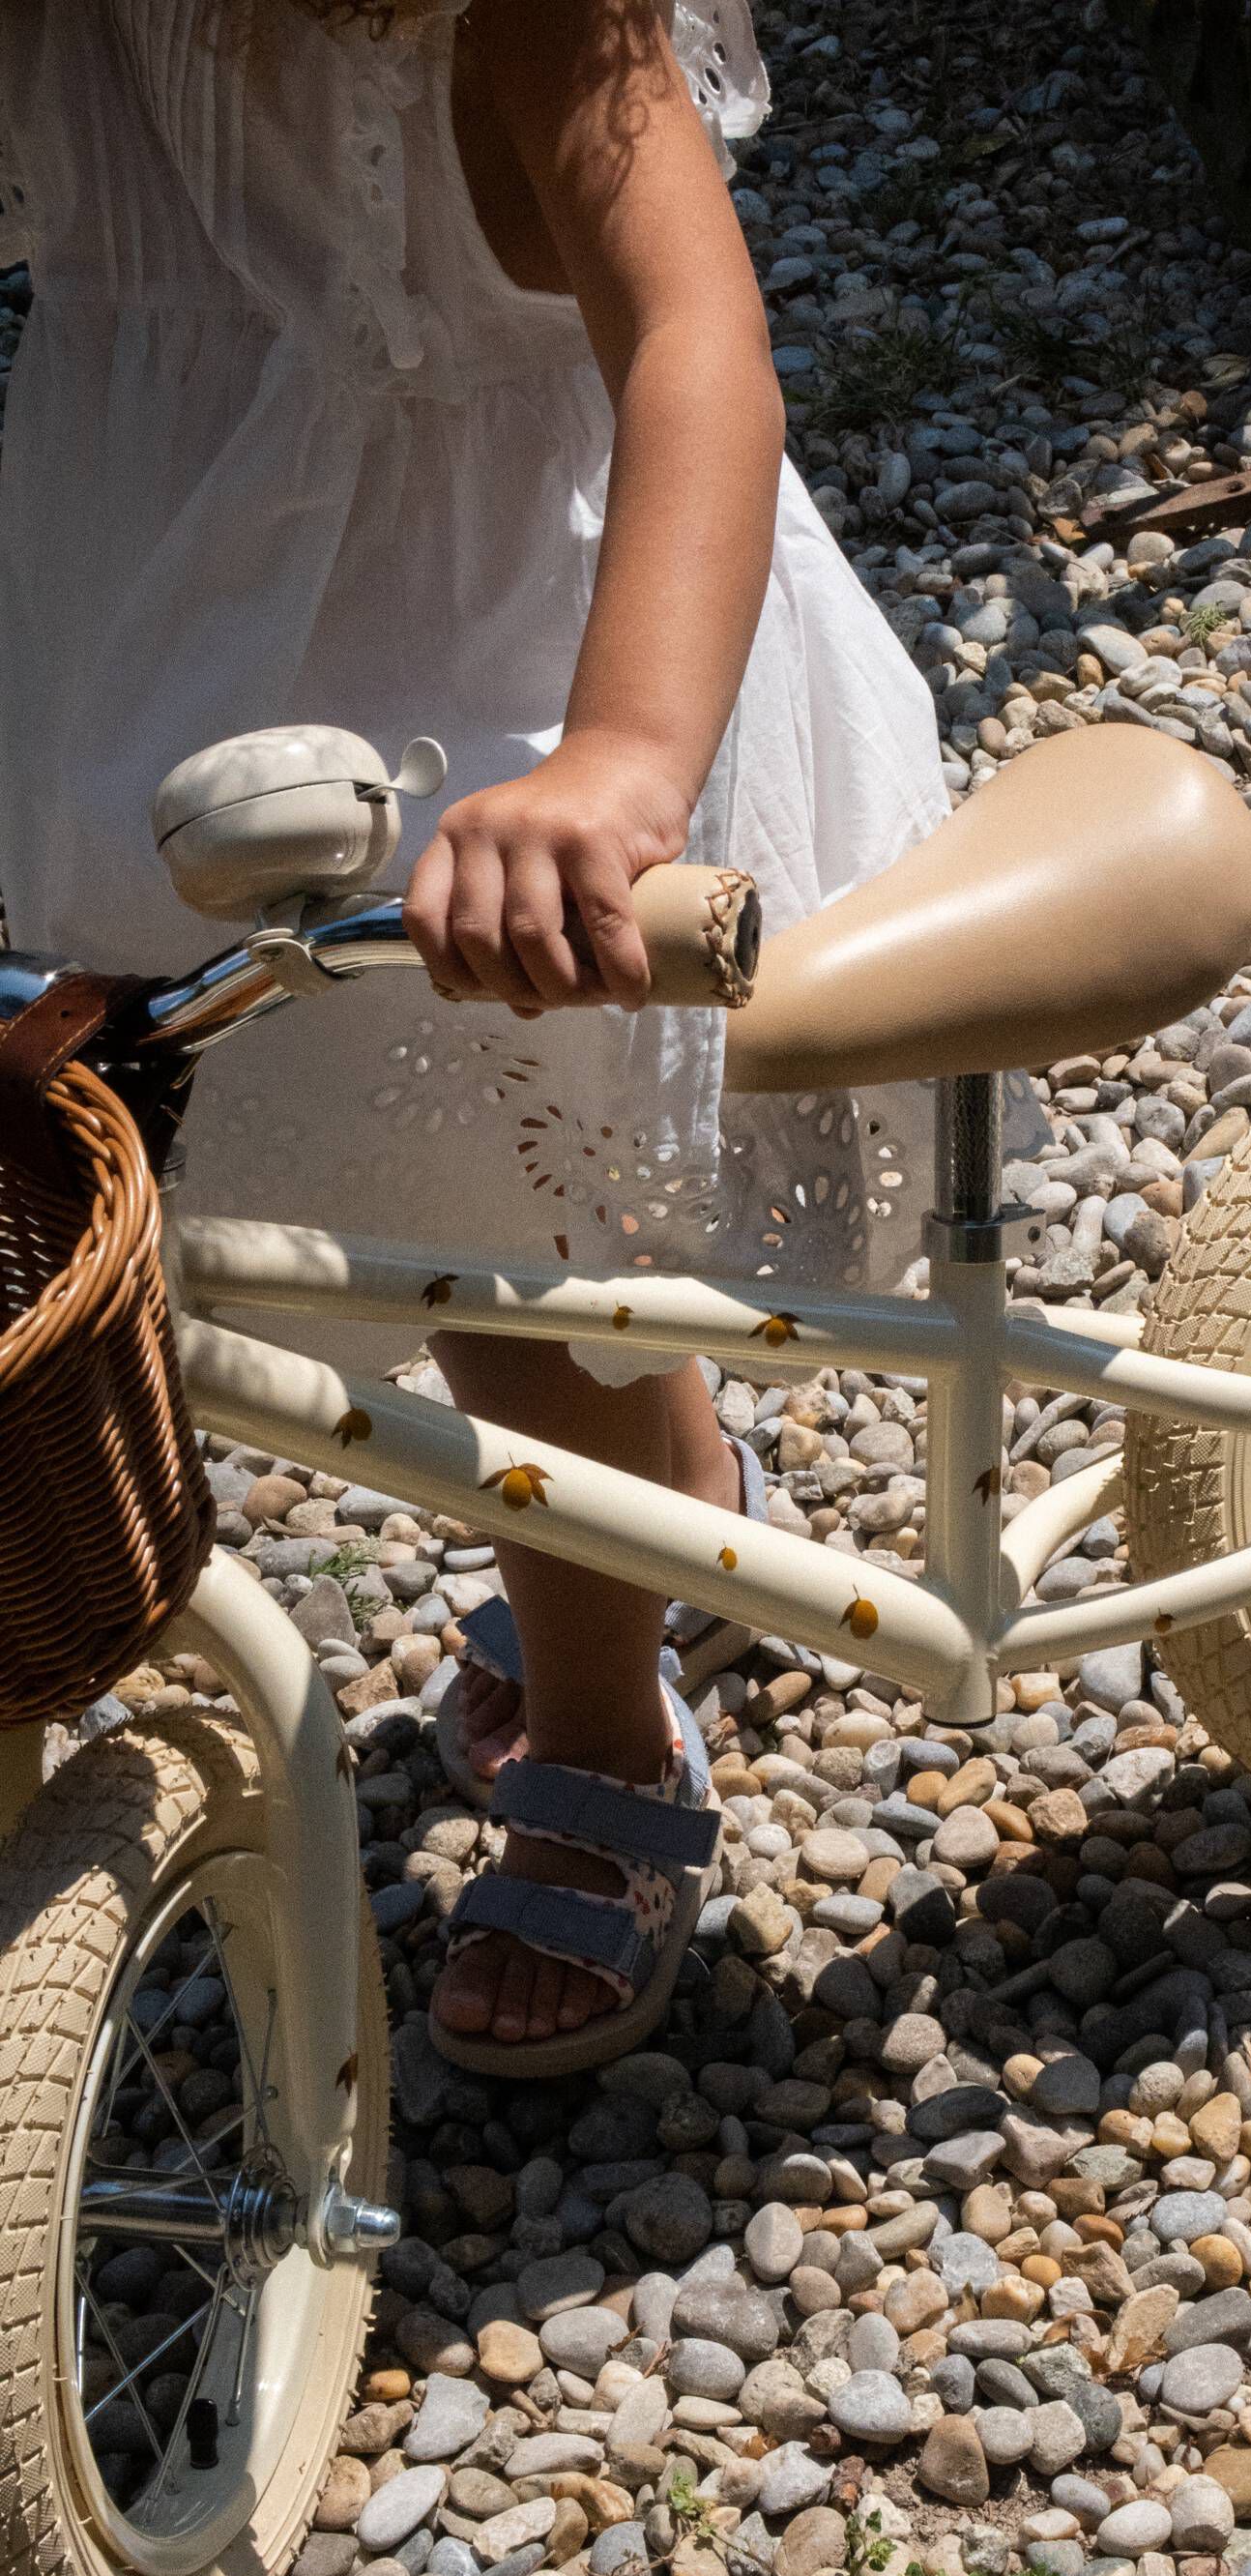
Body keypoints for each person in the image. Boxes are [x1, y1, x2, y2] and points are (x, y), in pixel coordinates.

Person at [0, 0, 951, 2064]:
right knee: (158, 1145)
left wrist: (619, 759)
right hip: (181, 690)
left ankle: (612, 1723)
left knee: (508, 1263)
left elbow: (695, 351)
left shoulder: (519, 22)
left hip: (524, 693)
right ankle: (680, 1478)